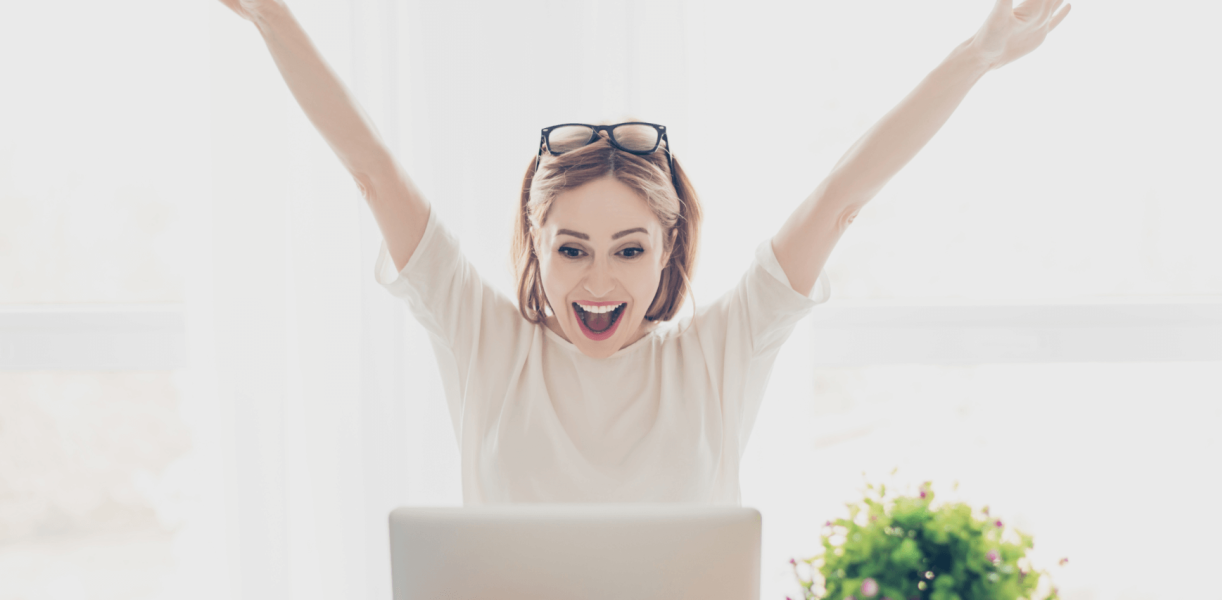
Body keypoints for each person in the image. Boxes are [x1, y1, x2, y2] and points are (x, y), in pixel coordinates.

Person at [216, 0, 1071, 504]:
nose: (597, 280)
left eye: (628, 250)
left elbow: (840, 199)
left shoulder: (723, 348)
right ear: (535, 247)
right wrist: (271, 17)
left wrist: (978, 55)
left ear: (668, 250)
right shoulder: (484, 342)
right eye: (571, 249)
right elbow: (371, 172)